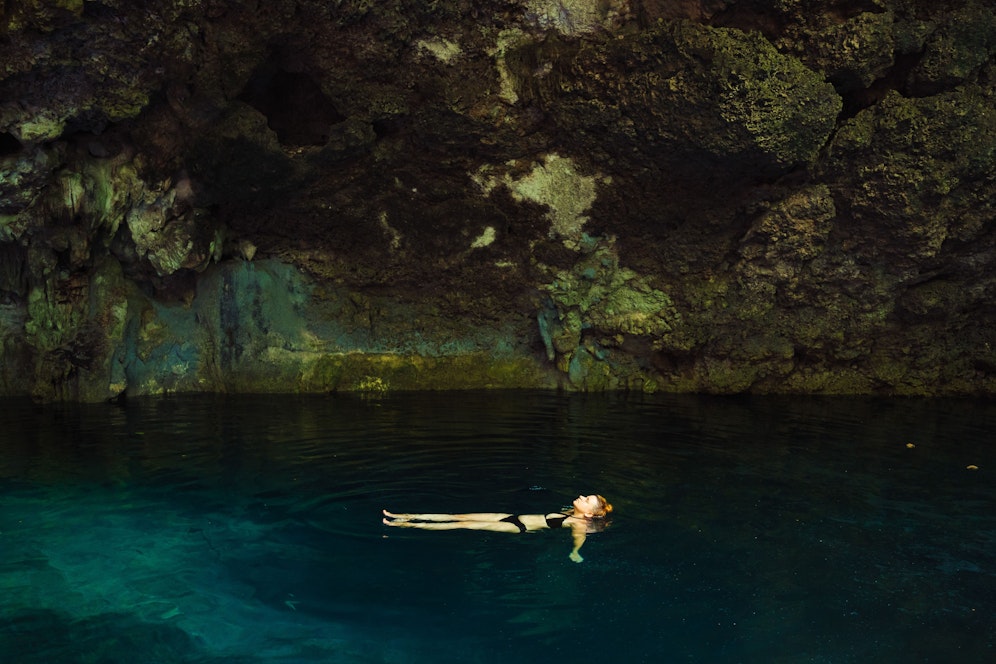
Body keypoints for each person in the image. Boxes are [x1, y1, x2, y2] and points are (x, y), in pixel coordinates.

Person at [382, 494, 613, 563]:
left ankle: (406, 524)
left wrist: (575, 552)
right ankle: (404, 515)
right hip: (511, 516)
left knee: (462, 524)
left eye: (586, 499)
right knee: (459, 516)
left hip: (519, 526)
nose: (581, 497)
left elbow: (579, 537)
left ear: (589, 513)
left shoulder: (578, 522)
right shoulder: (569, 511)